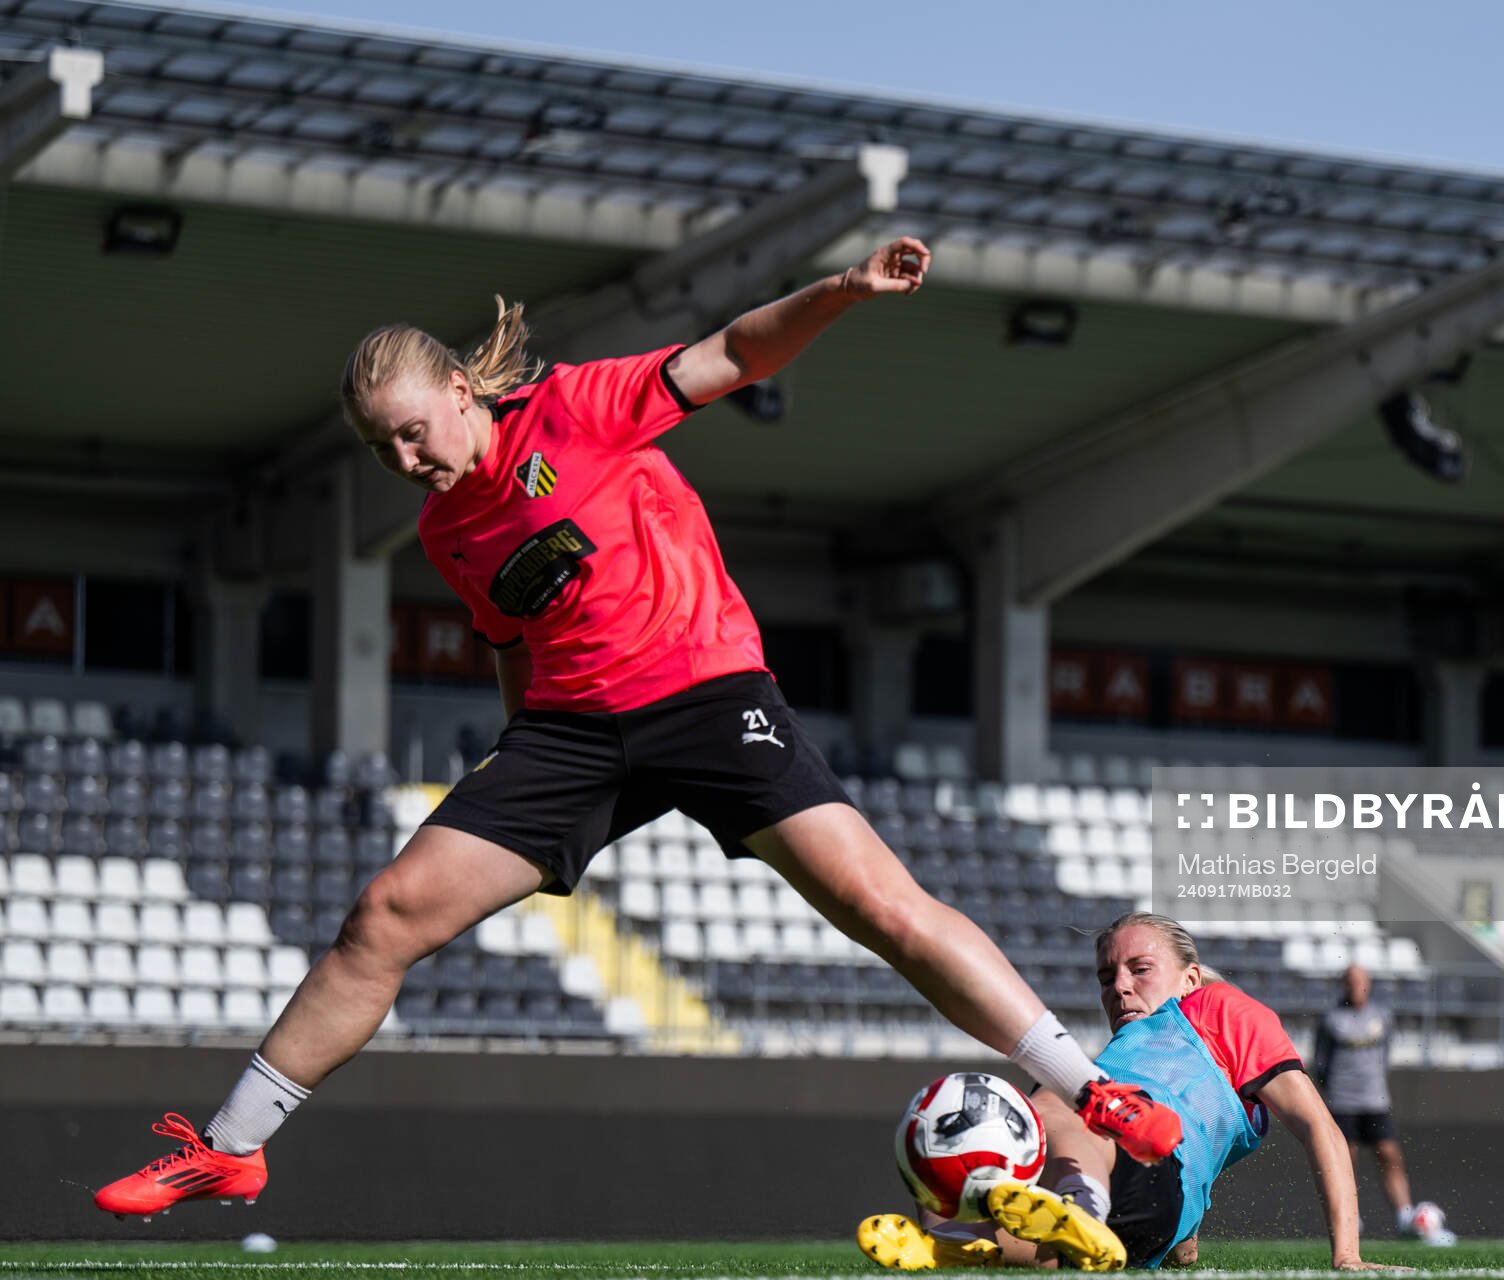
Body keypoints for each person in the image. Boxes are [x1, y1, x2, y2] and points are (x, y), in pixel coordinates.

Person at [92, 237, 1183, 1218]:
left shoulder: (575, 408)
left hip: (705, 691)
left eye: (414, 435)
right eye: (385, 450)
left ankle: (1095, 1091)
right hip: (569, 732)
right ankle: (230, 1146)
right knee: (383, 916)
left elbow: (735, 352)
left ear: (462, 393)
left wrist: (844, 289)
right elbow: (512, 640)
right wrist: (519, 771)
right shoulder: (444, 527)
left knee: (880, 906)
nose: (408, 463)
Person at [858, 912, 1403, 1272]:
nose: (1119, 986)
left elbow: (1319, 1126)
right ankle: (960, 1244)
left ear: (1190, 978)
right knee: (999, 1216)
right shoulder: (1126, 1051)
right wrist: (1185, 1246)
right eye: (1106, 976)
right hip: (1147, 1223)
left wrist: (1347, 1255)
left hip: (1134, 1156)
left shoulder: (1221, 1010)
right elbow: (1205, 1150)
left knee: (1045, 1107)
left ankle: (1063, 1207)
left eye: (1140, 969)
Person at [1314, 964, 1455, 1246]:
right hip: (1343, 1100)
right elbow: (1321, 1060)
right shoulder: (1331, 1019)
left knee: (1389, 1154)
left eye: (1360, 982)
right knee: (1345, 1160)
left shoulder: (1382, 1016)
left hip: (1375, 1099)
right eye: (1351, 982)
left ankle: (1405, 1217)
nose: (1356, 987)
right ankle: (1349, 1218)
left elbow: (1386, 1052)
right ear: (1344, 984)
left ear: (1368, 984)